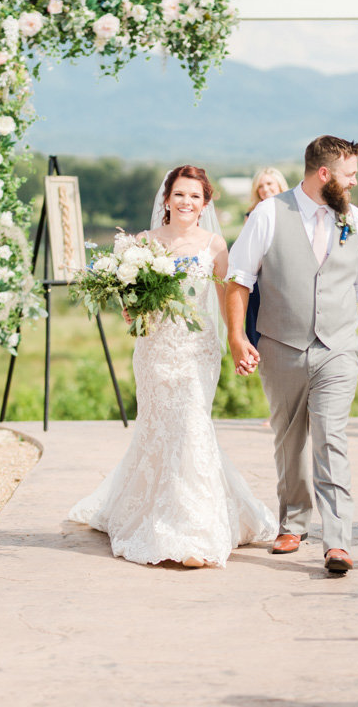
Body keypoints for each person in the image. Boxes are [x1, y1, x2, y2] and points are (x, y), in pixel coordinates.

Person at [68, 165, 277, 567]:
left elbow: (227, 298)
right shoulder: (142, 244)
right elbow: (131, 302)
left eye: (195, 196)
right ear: (166, 199)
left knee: (192, 428)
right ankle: (153, 514)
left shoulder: (216, 245)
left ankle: (195, 531)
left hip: (197, 351)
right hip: (153, 351)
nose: (186, 202)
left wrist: (237, 340)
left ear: (205, 203)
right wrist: (131, 310)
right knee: (157, 430)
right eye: (179, 194)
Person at [226, 135, 358, 575]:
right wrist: (236, 338)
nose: (354, 182)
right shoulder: (268, 214)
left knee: (331, 438)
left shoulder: (356, 221)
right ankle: (293, 522)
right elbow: (239, 280)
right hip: (280, 346)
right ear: (325, 174)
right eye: (349, 174)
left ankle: (337, 541)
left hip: (337, 348)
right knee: (289, 439)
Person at [245, 167, 289, 349]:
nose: (265, 189)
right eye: (260, 186)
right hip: (261, 279)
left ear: (279, 185)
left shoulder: (294, 212)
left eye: (269, 183)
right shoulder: (252, 216)